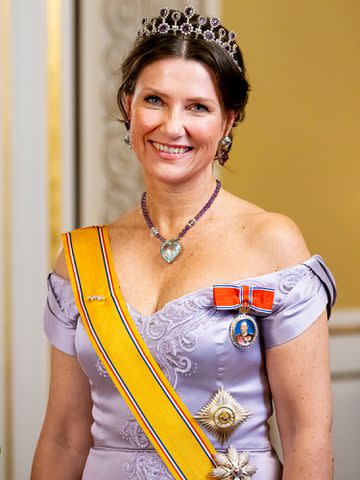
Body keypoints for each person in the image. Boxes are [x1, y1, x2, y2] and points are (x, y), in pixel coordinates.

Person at [31, 6, 336, 480]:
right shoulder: (80, 257)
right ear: (128, 105)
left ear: (228, 120)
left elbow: (307, 436)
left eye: (198, 106)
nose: (172, 126)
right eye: (155, 100)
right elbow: (64, 435)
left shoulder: (271, 242)